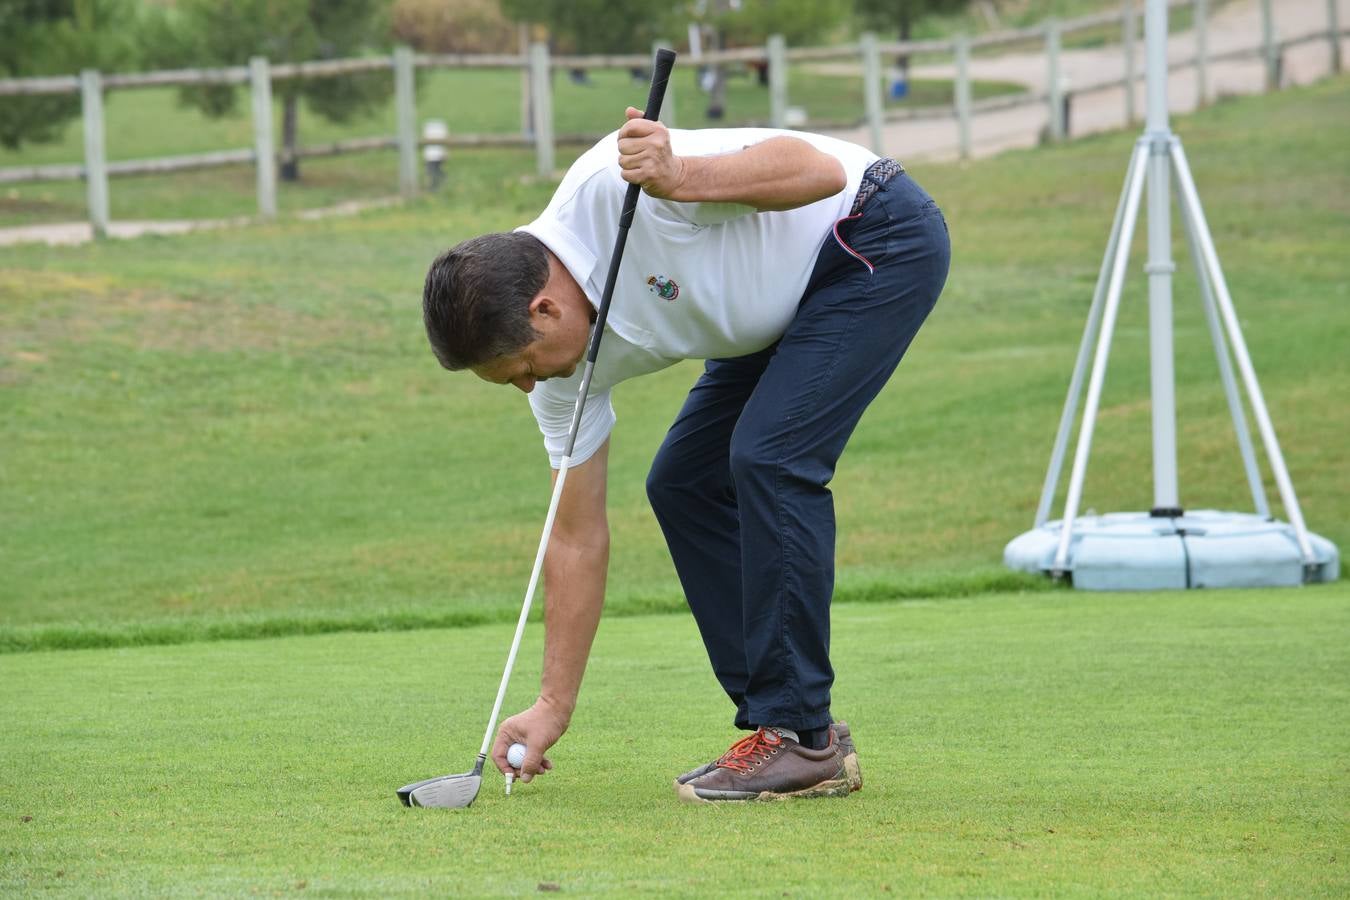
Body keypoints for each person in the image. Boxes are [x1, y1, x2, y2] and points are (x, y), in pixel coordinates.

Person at [421, 106, 950, 803]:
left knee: (769, 456)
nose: (526, 384)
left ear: (545, 311)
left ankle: (799, 737)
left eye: (522, 367)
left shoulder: (618, 193)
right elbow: (576, 536)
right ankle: (779, 728)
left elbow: (817, 170)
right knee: (683, 482)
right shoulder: (555, 373)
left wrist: (680, 175)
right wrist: (553, 705)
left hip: (867, 231)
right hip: (772, 312)